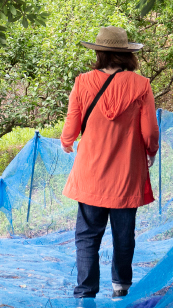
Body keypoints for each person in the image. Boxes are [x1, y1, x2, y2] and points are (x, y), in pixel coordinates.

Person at [59, 26, 160, 300]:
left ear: (100, 53)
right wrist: (151, 150)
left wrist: (67, 141)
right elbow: (150, 131)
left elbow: (72, 124)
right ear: (127, 55)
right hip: (126, 174)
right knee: (124, 235)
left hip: (90, 172)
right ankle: (120, 287)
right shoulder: (141, 86)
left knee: (87, 235)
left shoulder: (82, 82)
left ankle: (85, 292)